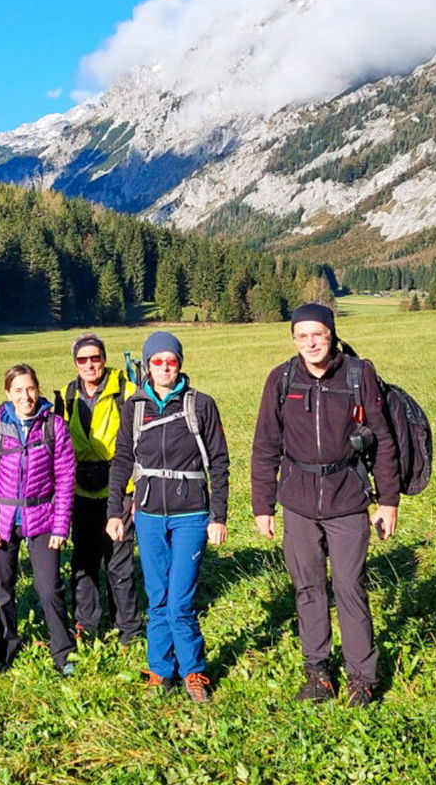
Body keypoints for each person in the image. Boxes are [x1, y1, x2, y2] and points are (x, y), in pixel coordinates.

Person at [251, 302, 400, 706]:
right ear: (294, 339)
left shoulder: (358, 374)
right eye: (302, 336)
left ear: (331, 335)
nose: (311, 343)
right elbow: (265, 445)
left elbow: (384, 440)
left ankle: (362, 678)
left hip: (348, 499)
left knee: (349, 588)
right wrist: (263, 505)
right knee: (309, 589)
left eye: (318, 334)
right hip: (297, 503)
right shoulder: (281, 379)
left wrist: (388, 501)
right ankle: (318, 673)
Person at [107, 331, 228, 703]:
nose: (164, 367)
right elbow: (122, 459)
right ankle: (160, 670)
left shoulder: (200, 405)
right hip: (147, 515)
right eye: (156, 361)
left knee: (180, 602)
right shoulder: (135, 407)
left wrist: (219, 516)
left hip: (191, 515)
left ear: (180, 364)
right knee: (157, 597)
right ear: (147, 365)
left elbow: (219, 462)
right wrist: (115, 511)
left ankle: (193, 671)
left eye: (170, 361)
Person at [0, 363, 76, 675]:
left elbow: (65, 479)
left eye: (30, 388)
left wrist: (61, 526)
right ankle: (3, 650)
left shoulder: (54, 426)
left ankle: (63, 653)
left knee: (49, 588)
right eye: (18, 390)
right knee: (1, 589)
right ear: (8, 393)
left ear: (38, 389)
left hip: (43, 518)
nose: (25, 396)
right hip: (3, 520)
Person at [59, 333, 143, 647]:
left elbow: (142, 444)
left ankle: (129, 630)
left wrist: (138, 492)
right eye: (83, 359)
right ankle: (86, 625)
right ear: (75, 363)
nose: (90, 364)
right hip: (80, 491)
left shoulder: (127, 391)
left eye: (95, 357)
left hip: (119, 488)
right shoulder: (67, 395)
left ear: (104, 359)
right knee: (84, 561)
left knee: (119, 563)